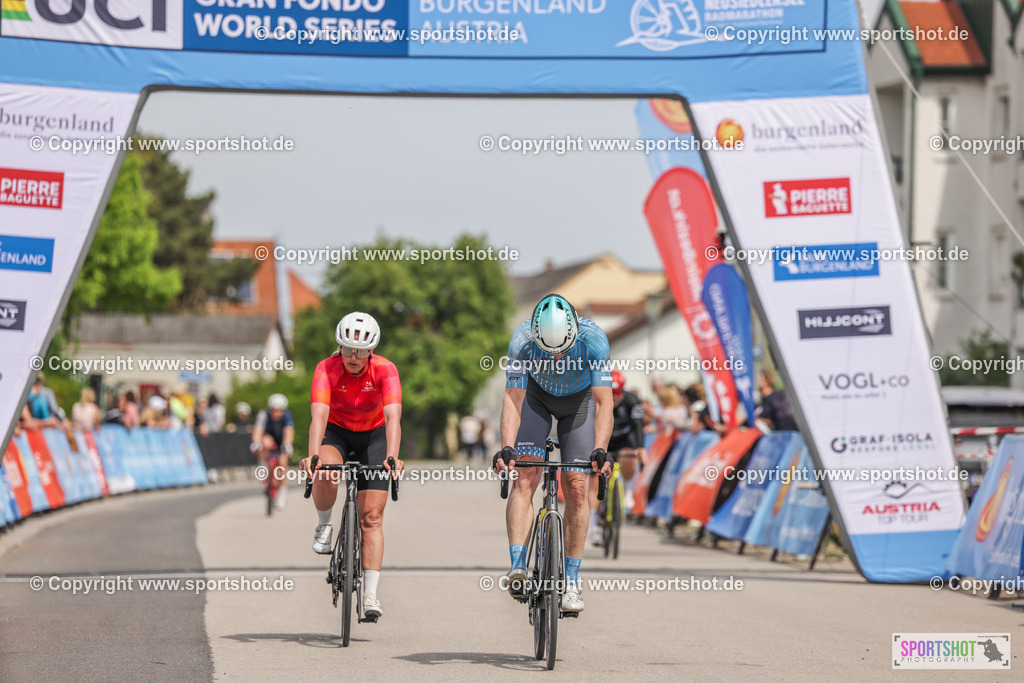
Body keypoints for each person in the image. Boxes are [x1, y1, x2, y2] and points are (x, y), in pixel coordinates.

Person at [493, 293, 613, 614]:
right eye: (550, 351)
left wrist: (600, 449)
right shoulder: (522, 340)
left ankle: (571, 581)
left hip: (579, 404)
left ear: (574, 331)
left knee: (576, 485)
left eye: (563, 350)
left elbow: (603, 403)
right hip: (536, 398)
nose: (557, 357)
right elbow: (513, 399)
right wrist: (507, 446)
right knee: (525, 477)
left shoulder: (594, 340)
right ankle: (518, 564)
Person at [299, 311, 404, 621]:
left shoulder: (385, 370)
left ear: (371, 351)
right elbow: (318, 415)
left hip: (374, 436)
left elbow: (393, 418)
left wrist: (393, 456)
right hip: (337, 432)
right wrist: (313, 455)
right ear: (339, 347)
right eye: (348, 349)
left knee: (371, 517)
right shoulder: (326, 369)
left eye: (361, 351)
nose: (354, 356)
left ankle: (371, 594)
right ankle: (324, 524)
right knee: (327, 470)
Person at [588, 370, 647, 544]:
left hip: (623, 439)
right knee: (595, 481)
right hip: (600, 438)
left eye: (617, 394)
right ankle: (593, 526)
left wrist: (640, 448)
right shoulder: (594, 399)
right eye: (611, 394)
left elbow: (638, 426)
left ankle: (627, 489)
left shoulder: (631, 400)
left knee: (630, 457)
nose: (614, 398)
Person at [251, 393, 295, 510]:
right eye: (274, 411)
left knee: (283, 462)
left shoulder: (287, 416)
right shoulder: (263, 415)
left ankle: (282, 494)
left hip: (281, 440)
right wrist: (256, 442)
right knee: (264, 443)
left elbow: (289, 431)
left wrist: (287, 445)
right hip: (269, 438)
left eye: (279, 411)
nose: (276, 414)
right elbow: (258, 430)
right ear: (270, 409)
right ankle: (262, 468)